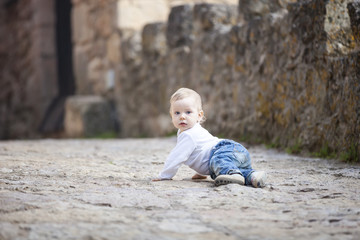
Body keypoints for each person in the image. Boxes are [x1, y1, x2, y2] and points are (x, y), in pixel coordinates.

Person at [152, 88, 266, 187]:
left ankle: (233, 174)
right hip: (236, 152)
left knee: (220, 163)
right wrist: (201, 172)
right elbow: (202, 152)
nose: (182, 117)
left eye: (188, 112)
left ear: (199, 115)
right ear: (171, 116)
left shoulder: (189, 135)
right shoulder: (194, 130)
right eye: (177, 113)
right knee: (231, 168)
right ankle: (253, 176)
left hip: (224, 151)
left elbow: (176, 157)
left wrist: (165, 175)